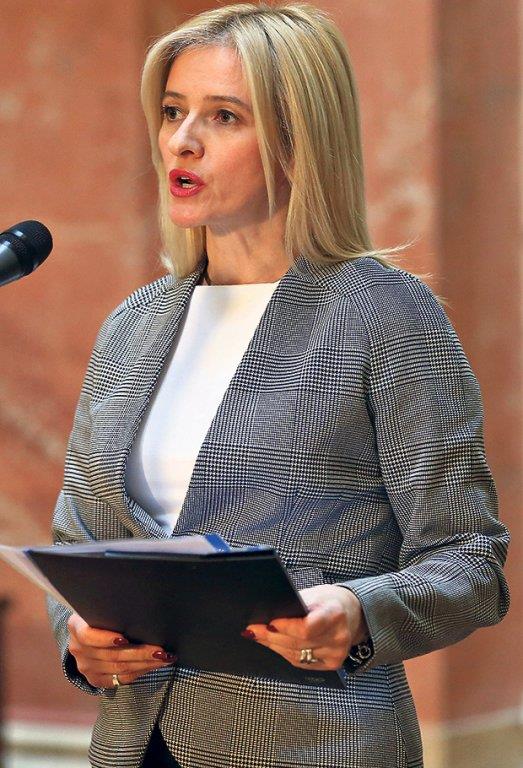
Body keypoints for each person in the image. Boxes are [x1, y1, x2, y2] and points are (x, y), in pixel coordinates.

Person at [47, 3, 510, 767]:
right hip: (135, 744)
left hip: (312, 744)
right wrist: (78, 640)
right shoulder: (133, 323)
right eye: (172, 111)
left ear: (300, 142)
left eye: (224, 116)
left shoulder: (384, 315)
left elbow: (468, 560)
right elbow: (78, 541)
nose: (181, 140)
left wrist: (357, 610)